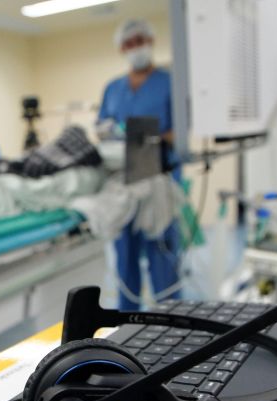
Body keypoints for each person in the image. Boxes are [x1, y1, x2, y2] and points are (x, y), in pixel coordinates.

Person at [98, 19, 182, 311]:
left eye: (141, 41)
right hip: (122, 186)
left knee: (163, 262)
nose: (137, 48)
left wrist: (145, 135)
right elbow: (103, 130)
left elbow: (181, 133)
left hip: (158, 179)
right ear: (122, 48)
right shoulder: (112, 89)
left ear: (151, 41)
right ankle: (126, 325)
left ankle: (172, 324)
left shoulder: (170, 83)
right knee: (125, 264)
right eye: (130, 43)